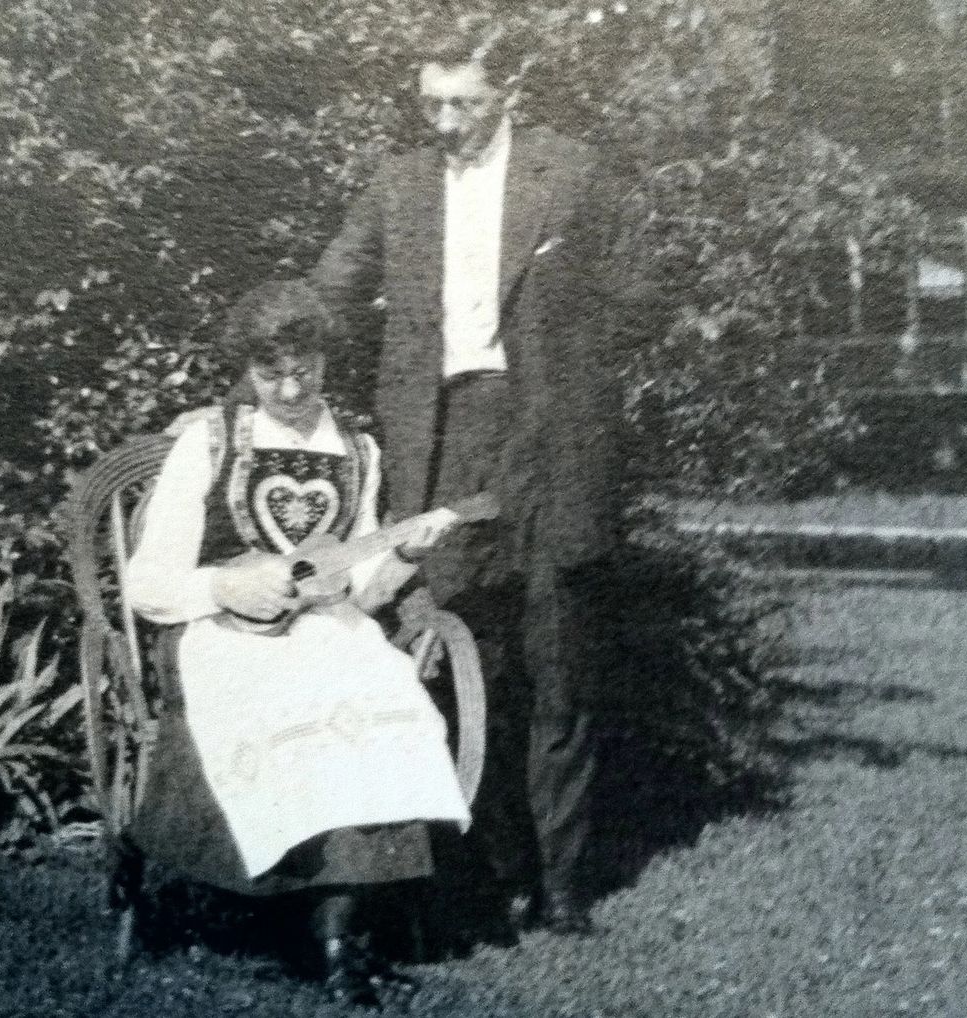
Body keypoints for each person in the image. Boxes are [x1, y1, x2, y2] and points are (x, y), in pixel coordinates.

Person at [309, 15, 623, 936]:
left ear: (511, 95)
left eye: (465, 104)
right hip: (442, 439)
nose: (444, 122)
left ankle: (565, 885)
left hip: (551, 439)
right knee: (461, 657)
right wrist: (276, 369)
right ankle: (499, 873)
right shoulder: (399, 183)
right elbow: (333, 284)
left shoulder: (572, 171)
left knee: (558, 659)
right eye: (431, 103)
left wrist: (573, 363)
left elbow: (636, 289)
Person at [125, 280, 471, 1006]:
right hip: (217, 630)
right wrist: (224, 588)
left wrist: (406, 553)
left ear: (324, 360)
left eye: (304, 368)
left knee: (379, 692)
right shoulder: (208, 441)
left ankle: (342, 936)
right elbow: (148, 584)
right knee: (287, 699)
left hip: (321, 626)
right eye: (269, 371)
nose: (289, 386)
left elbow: (362, 590)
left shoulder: (355, 449)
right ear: (246, 369)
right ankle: (313, 928)